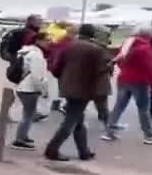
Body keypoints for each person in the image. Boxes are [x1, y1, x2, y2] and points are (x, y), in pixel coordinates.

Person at [43, 24, 106, 162]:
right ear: (93, 35)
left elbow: (56, 67)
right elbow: (100, 72)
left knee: (78, 120)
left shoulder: (68, 46)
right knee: (71, 121)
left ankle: (83, 151)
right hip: (84, 89)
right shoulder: (96, 50)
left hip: (67, 87)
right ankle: (52, 149)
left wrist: (64, 78)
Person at [102, 24, 152, 145]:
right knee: (144, 109)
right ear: (149, 34)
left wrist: (125, 69)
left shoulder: (128, 43)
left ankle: (109, 132)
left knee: (118, 106)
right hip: (140, 81)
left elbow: (119, 59)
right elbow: (148, 67)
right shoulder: (145, 47)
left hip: (123, 78)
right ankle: (149, 135)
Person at [9, 30, 51, 150]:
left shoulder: (24, 52)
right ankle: (19, 140)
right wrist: (43, 90)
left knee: (28, 114)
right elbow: (37, 76)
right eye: (47, 40)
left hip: (22, 85)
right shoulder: (36, 55)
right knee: (28, 115)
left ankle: (23, 136)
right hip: (30, 88)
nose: (49, 43)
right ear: (39, 41)